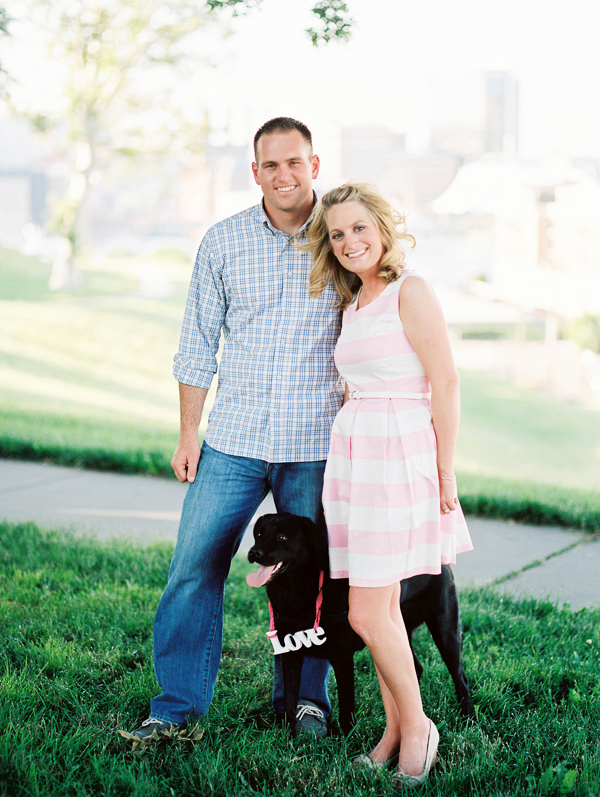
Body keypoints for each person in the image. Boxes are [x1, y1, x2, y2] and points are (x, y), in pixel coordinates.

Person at [128, 118, 344, 743]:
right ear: (255, 172)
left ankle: (305, 702)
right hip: (232, 442)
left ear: (314, 164)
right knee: (193, 567)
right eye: (271, 165)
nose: (284, 175)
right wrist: (187, 433)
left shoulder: (340, 238)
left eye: (295, 162)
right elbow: (197, 344)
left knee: (314, 579)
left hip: (316, 446)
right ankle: (175, 709)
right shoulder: (223, 242)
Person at [307, 183, 473, 788]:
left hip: (399, 456)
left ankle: (421, 728)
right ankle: (393, 732)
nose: (349, 241)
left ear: (381, 227)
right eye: (337, 234)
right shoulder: (353, 303)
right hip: (358, 459)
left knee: (368, 611)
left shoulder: (411, 290)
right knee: (377, 613)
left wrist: (445, 472)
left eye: (359, 227)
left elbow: (445, 381)